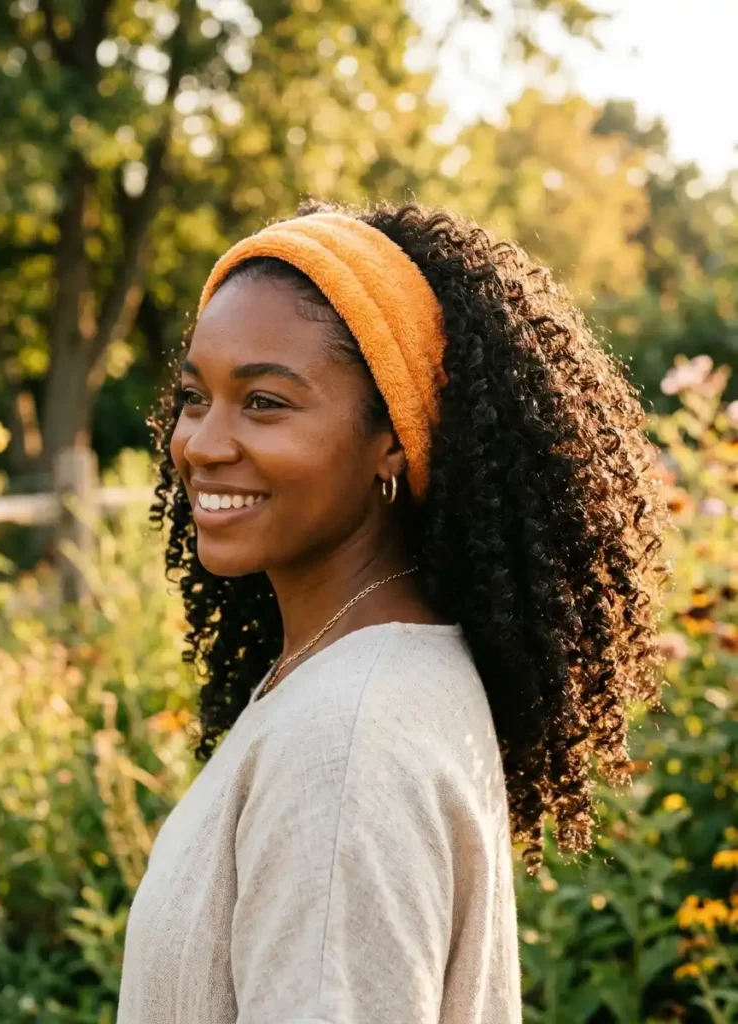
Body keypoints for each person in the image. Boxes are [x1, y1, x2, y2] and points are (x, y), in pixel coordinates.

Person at [116, 200, 671, 1023]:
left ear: (393, 439)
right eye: (195, 396)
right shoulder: (361, 675)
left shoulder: (344, 739)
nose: (201, 442)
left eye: (265, 402)